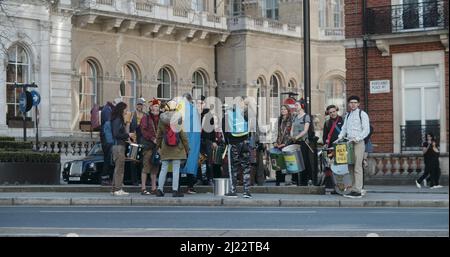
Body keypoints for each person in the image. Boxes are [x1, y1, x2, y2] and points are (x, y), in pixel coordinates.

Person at [336, 96, 370, 198]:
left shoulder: (362, 114)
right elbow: (344, 128)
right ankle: (352, 189)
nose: (353, 104)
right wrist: (339, 137)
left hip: (358, 143)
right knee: (350, 167)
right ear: (349, 104)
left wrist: (358, 138)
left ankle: (358, 190)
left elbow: (366, 130)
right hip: (349, 143)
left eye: (355, 102)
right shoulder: (348, 115)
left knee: (357, 167)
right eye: (351, 102)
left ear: (358, 104)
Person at [156, 100, 190, 197]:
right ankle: (175, 190)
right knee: (176, 169)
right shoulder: (178, 119)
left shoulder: (162, 119)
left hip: (165, 148)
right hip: (177, 148)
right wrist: (187, 149)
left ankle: (160, 189)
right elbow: (183, 136)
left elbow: (159, 135)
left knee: (163, 169)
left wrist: (157, 147)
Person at [223, 97, 252, 198]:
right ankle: (246, 191)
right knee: (246, 167)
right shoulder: (245, 114)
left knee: (233, 168)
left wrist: (227, 143)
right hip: (245, 142)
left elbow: (225, 132)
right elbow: (250, 129)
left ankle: (233, 190)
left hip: (234, 143)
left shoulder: (227, 115)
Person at [179, 93, 202, 194]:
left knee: (179, 164)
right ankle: (190, 187)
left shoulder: (182, 109)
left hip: (183, 139)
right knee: (191, 163)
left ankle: (177, 187)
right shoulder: (194, 110)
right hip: (192, 140)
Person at [110, 102, 134, 196]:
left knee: (118, 168)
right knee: (120, 168)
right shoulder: (117, 119)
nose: (126, 111)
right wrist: (128, 135)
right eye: (126, 109)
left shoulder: (117, 119)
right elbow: (116, 134)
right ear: (121, 109)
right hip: (118, 146)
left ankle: (114, 189)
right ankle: (118, 189)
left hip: (118, 146)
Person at [139, 98, 161, 195]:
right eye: (155, 106)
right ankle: (143, 188)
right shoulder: (146, 117)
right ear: (151, 107)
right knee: (146, 167)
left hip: (157, 147)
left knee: (155, 167)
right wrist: (152, 138)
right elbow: (143, 131)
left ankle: (153, 188)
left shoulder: (161, 118)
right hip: (148, 145)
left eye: (158, 106)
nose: (157, 108)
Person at [290, 100, 314, 186]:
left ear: (302, 106)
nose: (295, 106)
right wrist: (292, 135)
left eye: (297, 105)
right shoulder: (294, 116)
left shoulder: (306, 117)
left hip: (303, 141)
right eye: (295, 105)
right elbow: (292, 128)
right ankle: (295, 180)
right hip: (295, 141)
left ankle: (306, 179)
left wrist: (297, 137)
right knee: (295, 161)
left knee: (304, 160)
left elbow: (305, 130)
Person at [99, 97, 121, 185]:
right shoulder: (107, 111)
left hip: (106, 139)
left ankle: (107, 178)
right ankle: (105, 178)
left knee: (108, 159)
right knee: (108, 159)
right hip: (108, 140)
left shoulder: (107, 109)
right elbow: (109, 126)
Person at [129, 98, 146, 185]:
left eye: (141, 105)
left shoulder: (145, 115)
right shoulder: (132, 114)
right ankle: (134, 180)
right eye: (138, 104)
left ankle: (141, 180)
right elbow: (128, 126)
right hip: (134, 140)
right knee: (133, 161)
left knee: (143, 161)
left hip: (143, 141)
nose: (139, 106)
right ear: (136, 105)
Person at [274, 105, 292, 186]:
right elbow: (277, 132)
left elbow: (290, 133)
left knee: (287, 162)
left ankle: (287, 181)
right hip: (279, 143)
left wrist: (285, 143)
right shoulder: (279, 119)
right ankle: (278, 181)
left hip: (286, 143)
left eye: (285, 109)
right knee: (278, 162)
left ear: (288, 110)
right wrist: (276, 142)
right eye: (282, 109)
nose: (283, 110)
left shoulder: (291, 119)